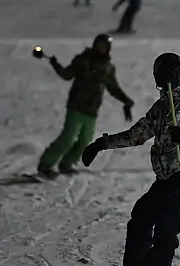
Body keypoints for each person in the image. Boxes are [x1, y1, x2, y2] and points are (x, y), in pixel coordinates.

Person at [84, 53, 180, 266]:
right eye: (160, 78)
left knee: (167, 225)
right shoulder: (161, 106)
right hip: (166, 175)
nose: (165, 82)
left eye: (168, 76)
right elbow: (137, 134)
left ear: (178, 74)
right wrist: (102, 144)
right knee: (140, 218)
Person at [37, 34, 134, 178]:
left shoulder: (108, 67)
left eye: (104, 46)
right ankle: (46, 165)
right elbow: (66, 75)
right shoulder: (82, 60)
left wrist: (126, 100)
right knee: (68, 138)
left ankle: (67, 163)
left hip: (92, 109)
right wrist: (55, 64)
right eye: (99, 45)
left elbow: (113, 87)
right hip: (76, 105)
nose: (101, 48)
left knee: (85, 141)